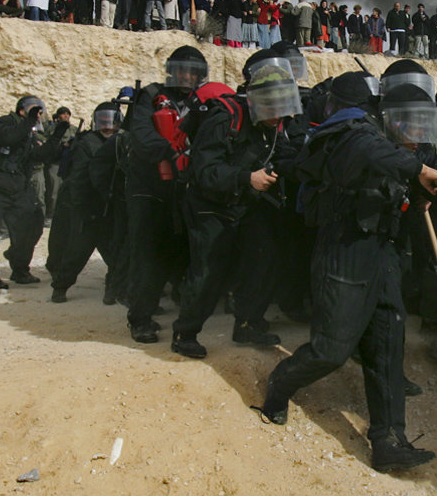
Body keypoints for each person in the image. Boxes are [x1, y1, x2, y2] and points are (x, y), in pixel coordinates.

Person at [258, 72, 437, 473]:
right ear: (390, 117)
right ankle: (280, 384)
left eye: (422, 127)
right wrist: (419, 170)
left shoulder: (397, 147)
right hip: (343, 252)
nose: (417, 136)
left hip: (382, 254)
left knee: (387, 346)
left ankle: (389, 440)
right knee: (331, 349)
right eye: (410, 125)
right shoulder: (355, 131)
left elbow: (414, 168)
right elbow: (371, 153)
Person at [170, 52, 303, 357]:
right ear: (255, 100)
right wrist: (246, 178)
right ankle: (185, 333)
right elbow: (205, 172)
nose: (278, 115)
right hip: (209, 203)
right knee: (208, 270)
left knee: (264, 257)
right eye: (273, 107)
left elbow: (282, 154)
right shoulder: (224, 118)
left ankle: (247, 323)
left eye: (283, 108)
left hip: (243, 202)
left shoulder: (272, 125)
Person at [124, 47, 207, 342]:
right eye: (182, 70)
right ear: (172, 71)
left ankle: (181, 299)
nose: (186, 76)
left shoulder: (202, 101)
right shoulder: (150, 95)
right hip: (148, 185)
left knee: (181, 247)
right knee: (147, 252)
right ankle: (140, 318)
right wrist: (170, 152)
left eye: (192, 72)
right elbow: (141, 135)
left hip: (182, 185)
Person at [0, 96, 69, 289]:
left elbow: (40, 155)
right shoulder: (4, 123)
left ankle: (19, 267)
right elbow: (8, 138)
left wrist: (57, 136)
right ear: (21, 111)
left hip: (18, 186)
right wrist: (29, 121)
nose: (39, 115)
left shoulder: (30, 132)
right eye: (35, 111)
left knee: (33, 224)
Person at [47, 103, 122, 302]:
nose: (107, 126)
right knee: (77, 252)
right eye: (103, 122)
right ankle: (60, 287)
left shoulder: (120, 141)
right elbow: (78, 180)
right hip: (90, 206)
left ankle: (112, 290)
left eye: (111, 122)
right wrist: (83, 208)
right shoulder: (87, 143)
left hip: (110, 206)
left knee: (115, 255)